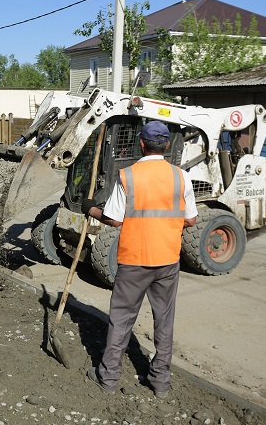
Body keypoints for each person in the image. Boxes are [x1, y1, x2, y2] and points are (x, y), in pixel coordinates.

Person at [81, 120, 198, 399]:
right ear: (167, 145)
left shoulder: (127, 176)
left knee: (121, 320)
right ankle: (160, 382)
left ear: (141, 144)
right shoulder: (181, 177)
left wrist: (90, 209)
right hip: (168, 261)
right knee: (164, 321)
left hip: (134, 260)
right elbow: (191, 219)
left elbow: (114, 219)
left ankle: (108, 378)